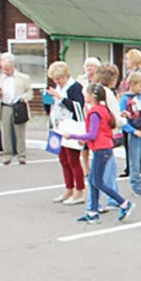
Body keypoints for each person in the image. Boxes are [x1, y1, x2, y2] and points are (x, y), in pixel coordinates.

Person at [62, 83, 135, 225]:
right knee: (93, 180)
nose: (84, 96)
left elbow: (92, 134)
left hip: (101, 149)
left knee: (97, 181)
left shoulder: (95, 112)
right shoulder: (103, 109)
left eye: (86, 93)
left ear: (92, 96)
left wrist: (72, 136)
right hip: (103, 148)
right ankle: (92, 212)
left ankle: (124, 203)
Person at [86, 63, 126, 215]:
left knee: (103, 171)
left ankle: (99, 203)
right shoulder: (107, 93)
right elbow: (113, 116)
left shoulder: (92, 90)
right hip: (105, 136)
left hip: (97, 136)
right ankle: (112, 201)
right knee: (105, 172)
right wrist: (123, 120)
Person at [46, 61, 86, 205]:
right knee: (63, 159)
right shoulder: (58, 87)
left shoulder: (75, 87)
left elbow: (77, 106)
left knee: (73, 160)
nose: (57, 82)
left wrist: (61, 97)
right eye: (55, 79)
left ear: (65, 75)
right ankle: (68, 188)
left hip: (71, 126)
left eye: (59, 79)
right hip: (58, 126)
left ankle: (79, 190)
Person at [0, 52, 33, 165]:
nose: (5, 71)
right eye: (3, 69)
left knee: (20, 131)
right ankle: (7, 155)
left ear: (13, 67)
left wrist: (24, 98)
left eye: (7, 69)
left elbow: (30, 92)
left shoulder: (23, 78)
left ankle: (21, 155)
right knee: (5, 132)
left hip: (18, 106)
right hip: (5, 106)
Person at [77, 57, 102, 178]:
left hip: (96, 113)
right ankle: (86, 168)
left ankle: (97, 166)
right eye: (87, 66)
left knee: (95, 139)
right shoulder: (80, 80)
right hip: (84, 113)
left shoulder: (99, 82)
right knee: (84, 143)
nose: (89, 68)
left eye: (92, 66)